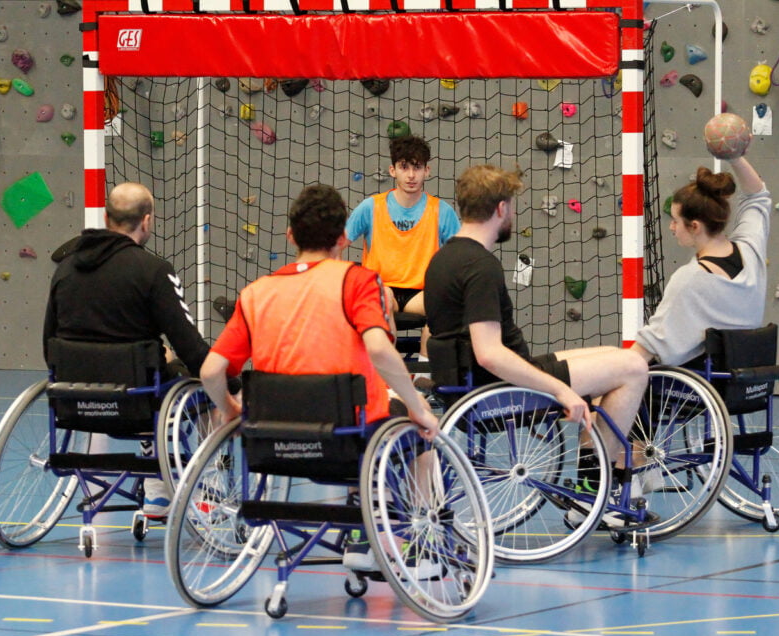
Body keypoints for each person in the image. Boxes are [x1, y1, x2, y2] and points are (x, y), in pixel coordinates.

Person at [199, 184, 440, 573]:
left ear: (290, 235)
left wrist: (229, 410)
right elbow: (379, 349)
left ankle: (363, 525)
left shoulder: (255, 293)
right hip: (347, 438)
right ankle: (419, 546)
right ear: (344, 239)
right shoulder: (356, 280)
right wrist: (418, 407)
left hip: (272, 441)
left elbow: (211, 370)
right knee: (418, 428)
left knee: (367, 414)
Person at [424, 165, 649, 507]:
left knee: (613, 357)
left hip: (470, 384)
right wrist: (559, 390)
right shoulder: (480, 266)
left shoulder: (442, 260)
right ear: (501, 208)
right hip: (499, 391)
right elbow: (489, 354)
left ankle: (592, 486)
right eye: (511, 206)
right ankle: (596, 493)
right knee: (634, 367)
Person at [43, 181, 210, 519]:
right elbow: (189, 344)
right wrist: (230, 382)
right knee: (202, 385)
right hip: (137, 400)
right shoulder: (153, 270)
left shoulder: (65, 268)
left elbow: (49, 343)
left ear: (106, 218)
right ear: (147, 221)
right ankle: (200, 489)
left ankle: (158, 486)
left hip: (73, 401)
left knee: (159, 366)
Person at [631, 154, 770, 366]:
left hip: (697, 384)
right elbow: (757, 195)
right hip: (745, 383)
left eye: (676, 221)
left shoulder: (690, 279)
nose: (672, 227)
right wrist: (736, 157)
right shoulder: (751, 251)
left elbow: (649, 347)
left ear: (695, 226)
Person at [345, 135, 461, 358]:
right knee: (381, 299)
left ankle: (423, 381)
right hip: (382, 288)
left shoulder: (442, 210)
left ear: (427, 171)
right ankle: (386, 381)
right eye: (404, 167)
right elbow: (338, 242)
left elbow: (461, 253)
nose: (410, 175)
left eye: (417, 167)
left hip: (422, 293)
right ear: (392, 170)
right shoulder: (371, 206)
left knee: (446, 306)